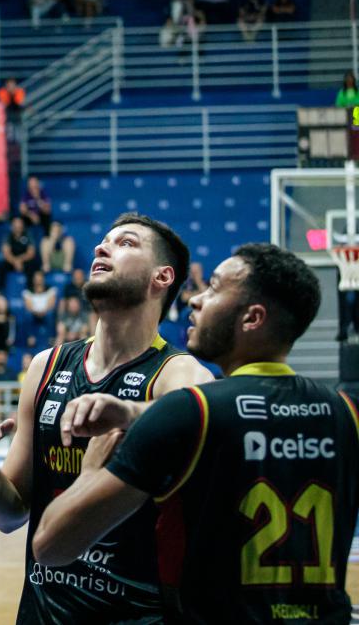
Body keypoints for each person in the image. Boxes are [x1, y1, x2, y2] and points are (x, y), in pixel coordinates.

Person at [31, 244, 356, 625]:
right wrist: (136, 412)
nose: (195, 300)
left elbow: (51, 546)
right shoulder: (345, 412)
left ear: (252, 318)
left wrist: (89, 472)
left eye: (214, 289)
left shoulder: (194, 411)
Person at [0, 213, 213, 623]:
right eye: (103, 240)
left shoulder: (179, 373)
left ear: (162, 277)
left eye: (126, 243)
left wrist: (128, 414)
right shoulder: (46, 366)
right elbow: (9, 514)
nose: (101, 248)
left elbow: (190, 420)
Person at [0, 216, 40, 291]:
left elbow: (31, 253)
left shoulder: (28, 235)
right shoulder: (8, 236)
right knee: (1, 265)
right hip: (11, 260)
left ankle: (30, 288)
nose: (17, 226)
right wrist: (15, 261)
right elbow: (6, 253)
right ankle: (0, 289)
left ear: (23, 225)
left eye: (19, 223)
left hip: (24, 260)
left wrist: (19, 260)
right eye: (15, 224)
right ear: (12, 226)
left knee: (32, 265)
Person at [20, 270, 58, 347]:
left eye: (40, 279)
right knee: (27, 314)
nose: (38, 281)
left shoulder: (51, 290)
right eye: (36, 279)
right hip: (34, 314)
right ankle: (30, 337)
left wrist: (44, 311)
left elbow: (51, 304)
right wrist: (37, 312)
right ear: (33, 280)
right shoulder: (27, 291)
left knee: (51, 313)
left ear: (43, 279)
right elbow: (28, 306)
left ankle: (50, 338)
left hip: (46, 313)